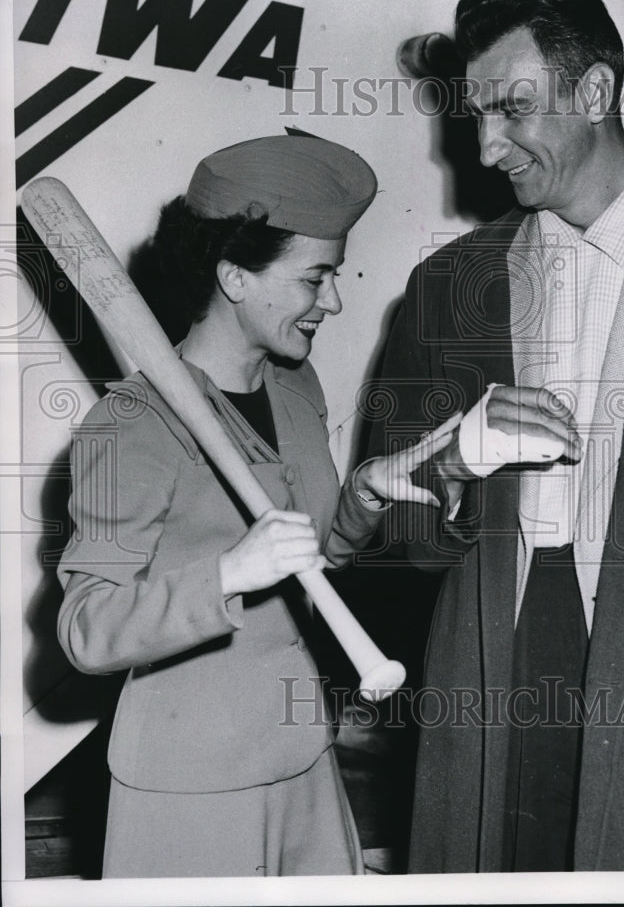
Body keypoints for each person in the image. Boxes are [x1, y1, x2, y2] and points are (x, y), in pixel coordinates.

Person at [369, 0, 624, 872]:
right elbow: (392, 541)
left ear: (594, 92)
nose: (484, 147)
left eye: (511, 109)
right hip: (495, 691)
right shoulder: (445, 289)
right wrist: (452, 468)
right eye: (474, 116)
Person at [56, 132, 454, 878]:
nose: (332, 300)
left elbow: (317, 559)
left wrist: (363, 495)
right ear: (236, 277)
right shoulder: (130, 425)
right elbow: (87, 628)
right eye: (315, 278)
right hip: (191, 785)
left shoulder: (294, 389)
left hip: (303, 752)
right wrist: (229, 572)